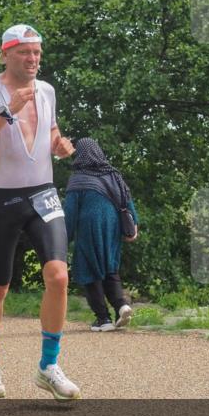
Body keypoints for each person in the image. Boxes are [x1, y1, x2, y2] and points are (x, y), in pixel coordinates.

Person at [0, 23, 79, 400]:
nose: (33, 59)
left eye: (37, 53)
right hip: (2, 199)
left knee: (58, 276)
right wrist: (6, 113)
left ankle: (49, 365)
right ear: (6, 54)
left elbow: (52, 131)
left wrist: (59, 144)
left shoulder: (47, 91)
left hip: (43, 193)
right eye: (25, 52)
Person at [64, 138, 137, 332]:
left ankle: (103, 319)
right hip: (112, 227)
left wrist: (63, 240)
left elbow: (69, 214)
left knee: (89, 270)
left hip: (88, 229)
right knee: (110, 268)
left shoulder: (78, 178)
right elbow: (127, 201)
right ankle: (122, 306)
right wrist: (133, 225)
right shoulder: (113, 175)